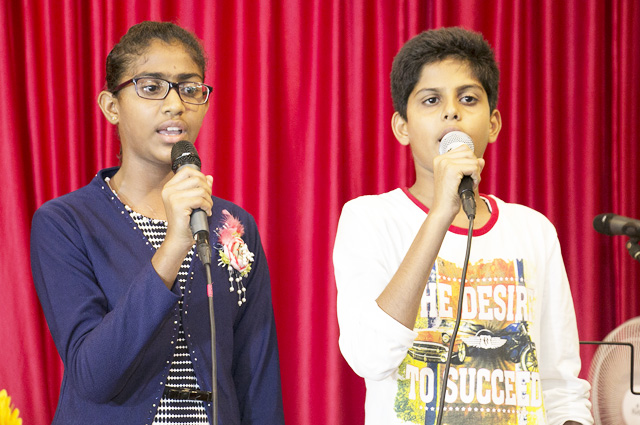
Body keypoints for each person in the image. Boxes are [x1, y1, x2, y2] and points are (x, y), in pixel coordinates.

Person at [333, 27, 593, 425]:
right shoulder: (368, 218)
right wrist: (440, 213)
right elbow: (369, 356)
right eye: (431, 100)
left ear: (493, 123)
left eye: (468, 99)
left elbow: (559, 386)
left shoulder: (533, 230)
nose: (451, 112)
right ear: (402, 126)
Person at [30, 21, 284, 424]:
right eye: (151, 87)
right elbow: (93, 375)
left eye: (189, 88)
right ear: (111, 106)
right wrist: (172, 248)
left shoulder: (234, 226)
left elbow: (258, 376)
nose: (175, 104)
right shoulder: (65, 223)